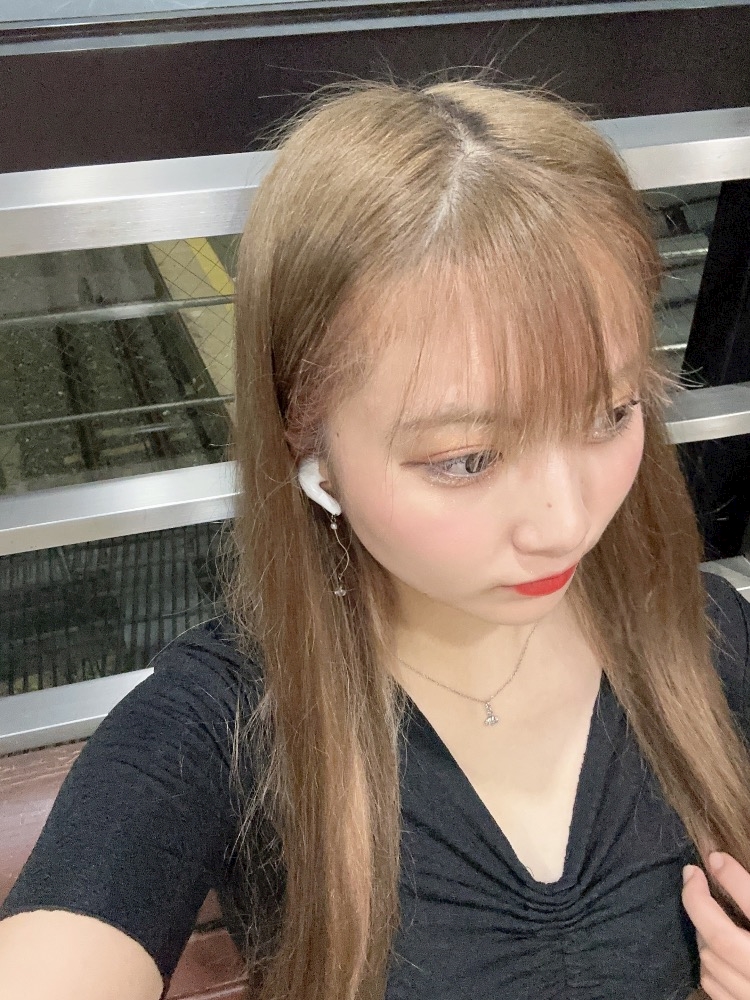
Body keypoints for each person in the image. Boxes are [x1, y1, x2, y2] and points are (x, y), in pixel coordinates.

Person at [2, 79, 750, 1000]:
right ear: (310, 444)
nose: (566, 522)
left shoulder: (702, 638)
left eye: (610, 413)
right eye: (467, 459)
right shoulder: (225, 726)